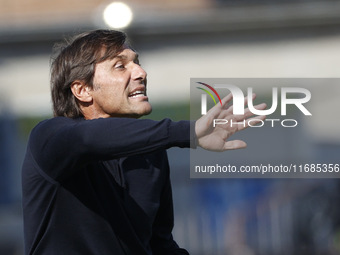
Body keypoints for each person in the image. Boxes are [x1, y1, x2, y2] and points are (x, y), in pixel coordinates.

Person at [21, 29, 266, 255]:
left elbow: (160, 246)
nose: (140, 72)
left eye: (136, 62)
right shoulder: (50, 138)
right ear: (82, 90)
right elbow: (87, 138)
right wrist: (187, 132)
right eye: (120, 66)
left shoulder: (151, 155)